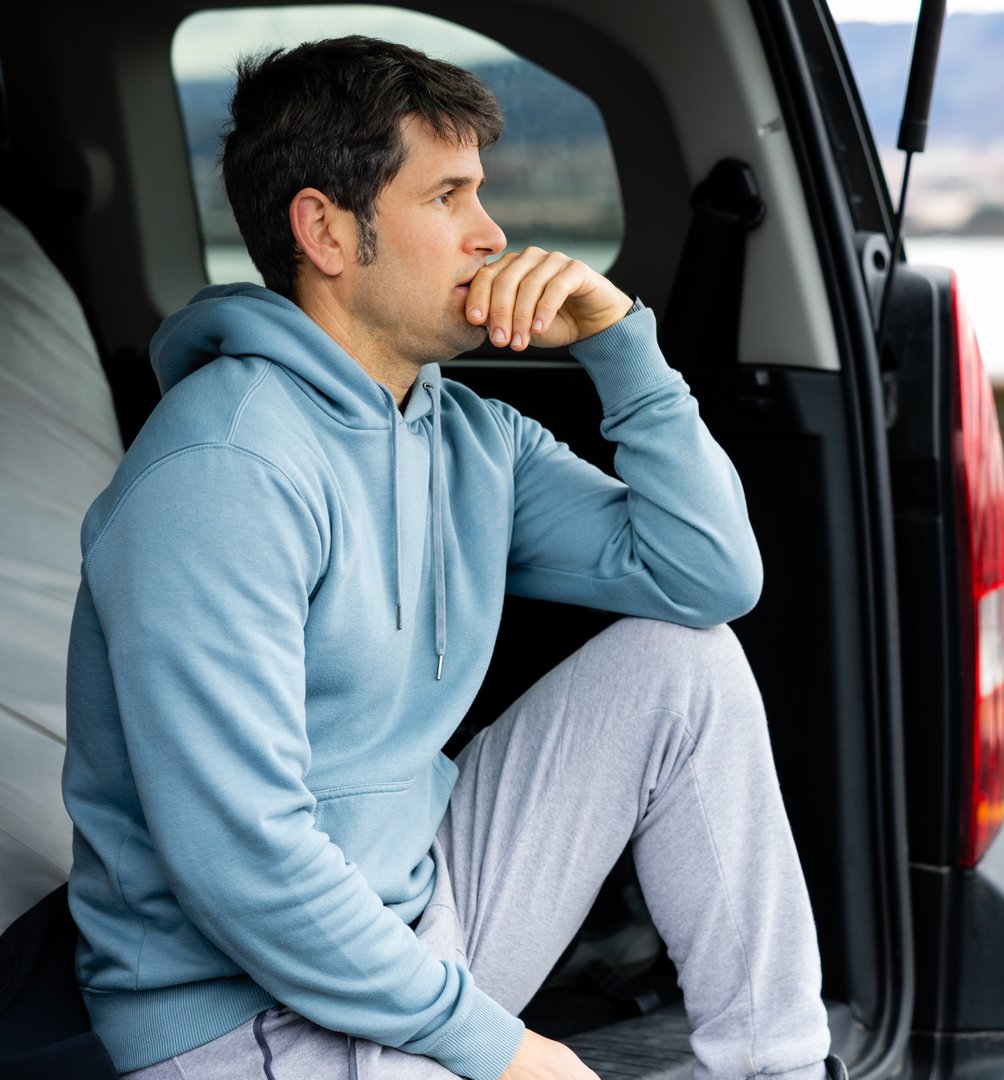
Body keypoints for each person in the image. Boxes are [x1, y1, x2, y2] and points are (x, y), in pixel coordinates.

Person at [61, 35, 840, 1080]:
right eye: (448, 198)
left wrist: (620, 348)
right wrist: (508, 1052)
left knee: (680, 664)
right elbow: (242, 864)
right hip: (244, 1018)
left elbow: (707, 575)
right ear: (326, 232)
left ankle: (779, 1068)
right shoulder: (223, 469)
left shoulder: (465, 434)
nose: (491, 235)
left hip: (422, 911)